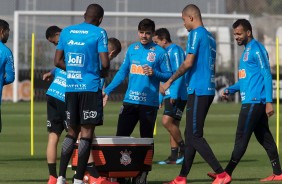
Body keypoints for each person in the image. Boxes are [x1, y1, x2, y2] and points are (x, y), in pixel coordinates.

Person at [160, 4, 231, 184]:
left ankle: (221, 174)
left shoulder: (196, 34)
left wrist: (170, 81)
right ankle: (182, 177)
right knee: (190, 134)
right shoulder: (210, 37)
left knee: (195, 135)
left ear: (191, 18)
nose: (184, 24)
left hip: (198, 89)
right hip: (206, 88)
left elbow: (188, 62)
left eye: (184, 20)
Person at [207, 19, 282, 183]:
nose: (236, 37)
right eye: (234, 34)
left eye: (239, 33)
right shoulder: (246, 52)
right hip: (251, 101)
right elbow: (245, 81)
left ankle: (226, 174)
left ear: (248, 32)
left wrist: (269, 101)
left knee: (241, 137)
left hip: (254, 102)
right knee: (265, 138)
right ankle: (278, 173)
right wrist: (230, 89)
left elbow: (266, 74)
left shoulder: (256, 49)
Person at [103, 18, 172, 183]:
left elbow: (169, 75)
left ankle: (142, 175)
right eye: (141, 32)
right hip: (129, 102)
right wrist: (107, 91)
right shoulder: (132, 49)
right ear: (138, 32)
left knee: (146, 139)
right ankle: (120, 175)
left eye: (148, 33)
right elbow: (122, 73)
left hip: (149, 104)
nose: (144, 36)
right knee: (120, 138)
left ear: (153, 34)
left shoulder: (160, 53)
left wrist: (154, 73)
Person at [54, 4, 115, 184]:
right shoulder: (99, 32)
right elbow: (104, 63)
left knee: (72, 133)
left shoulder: (66, 32)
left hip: (71, 89)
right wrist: (100, 72)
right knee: (86, 134)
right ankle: (79, 179)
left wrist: (74, 70)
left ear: (84, 15)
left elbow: (57, 61)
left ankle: (60, 177)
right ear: (100, 19)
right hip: (89, 88)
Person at [83, 37, 122, 184]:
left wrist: (103, 93)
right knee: (85, 133)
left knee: (86, 133)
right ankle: (91, 173)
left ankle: (86, 172)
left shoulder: (92, 55)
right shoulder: (101, 59)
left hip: (85, 96)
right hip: (88, 98)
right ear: (111, 53)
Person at [152, 28, 186, 165]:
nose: (154, 45)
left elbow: (179, 72)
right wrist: (160, 98)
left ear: (164, 40)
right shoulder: (163, 53)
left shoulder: (175, 50)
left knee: (166, 122)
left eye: (156, 42)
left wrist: (175, 93)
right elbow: (163, 80)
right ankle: (173, 157)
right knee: (173, 124)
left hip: (177, 93)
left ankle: (184, 149)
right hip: (169, 93)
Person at [43, 26, 68, 184]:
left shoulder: (63, 44)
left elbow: (59, 63)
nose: (56, 45)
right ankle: (87, 172)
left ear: (58, 34)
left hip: (52, 93)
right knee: (78, 135)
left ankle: (52, 177)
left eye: (54, 42)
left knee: (53, 136)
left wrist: (51, 73)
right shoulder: (71, 43)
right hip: (65, 95)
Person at [0, 19, 15, 133]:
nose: (8, 34)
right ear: (2, 31)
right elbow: (10, 77)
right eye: (8, 31)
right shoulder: (6, 51)